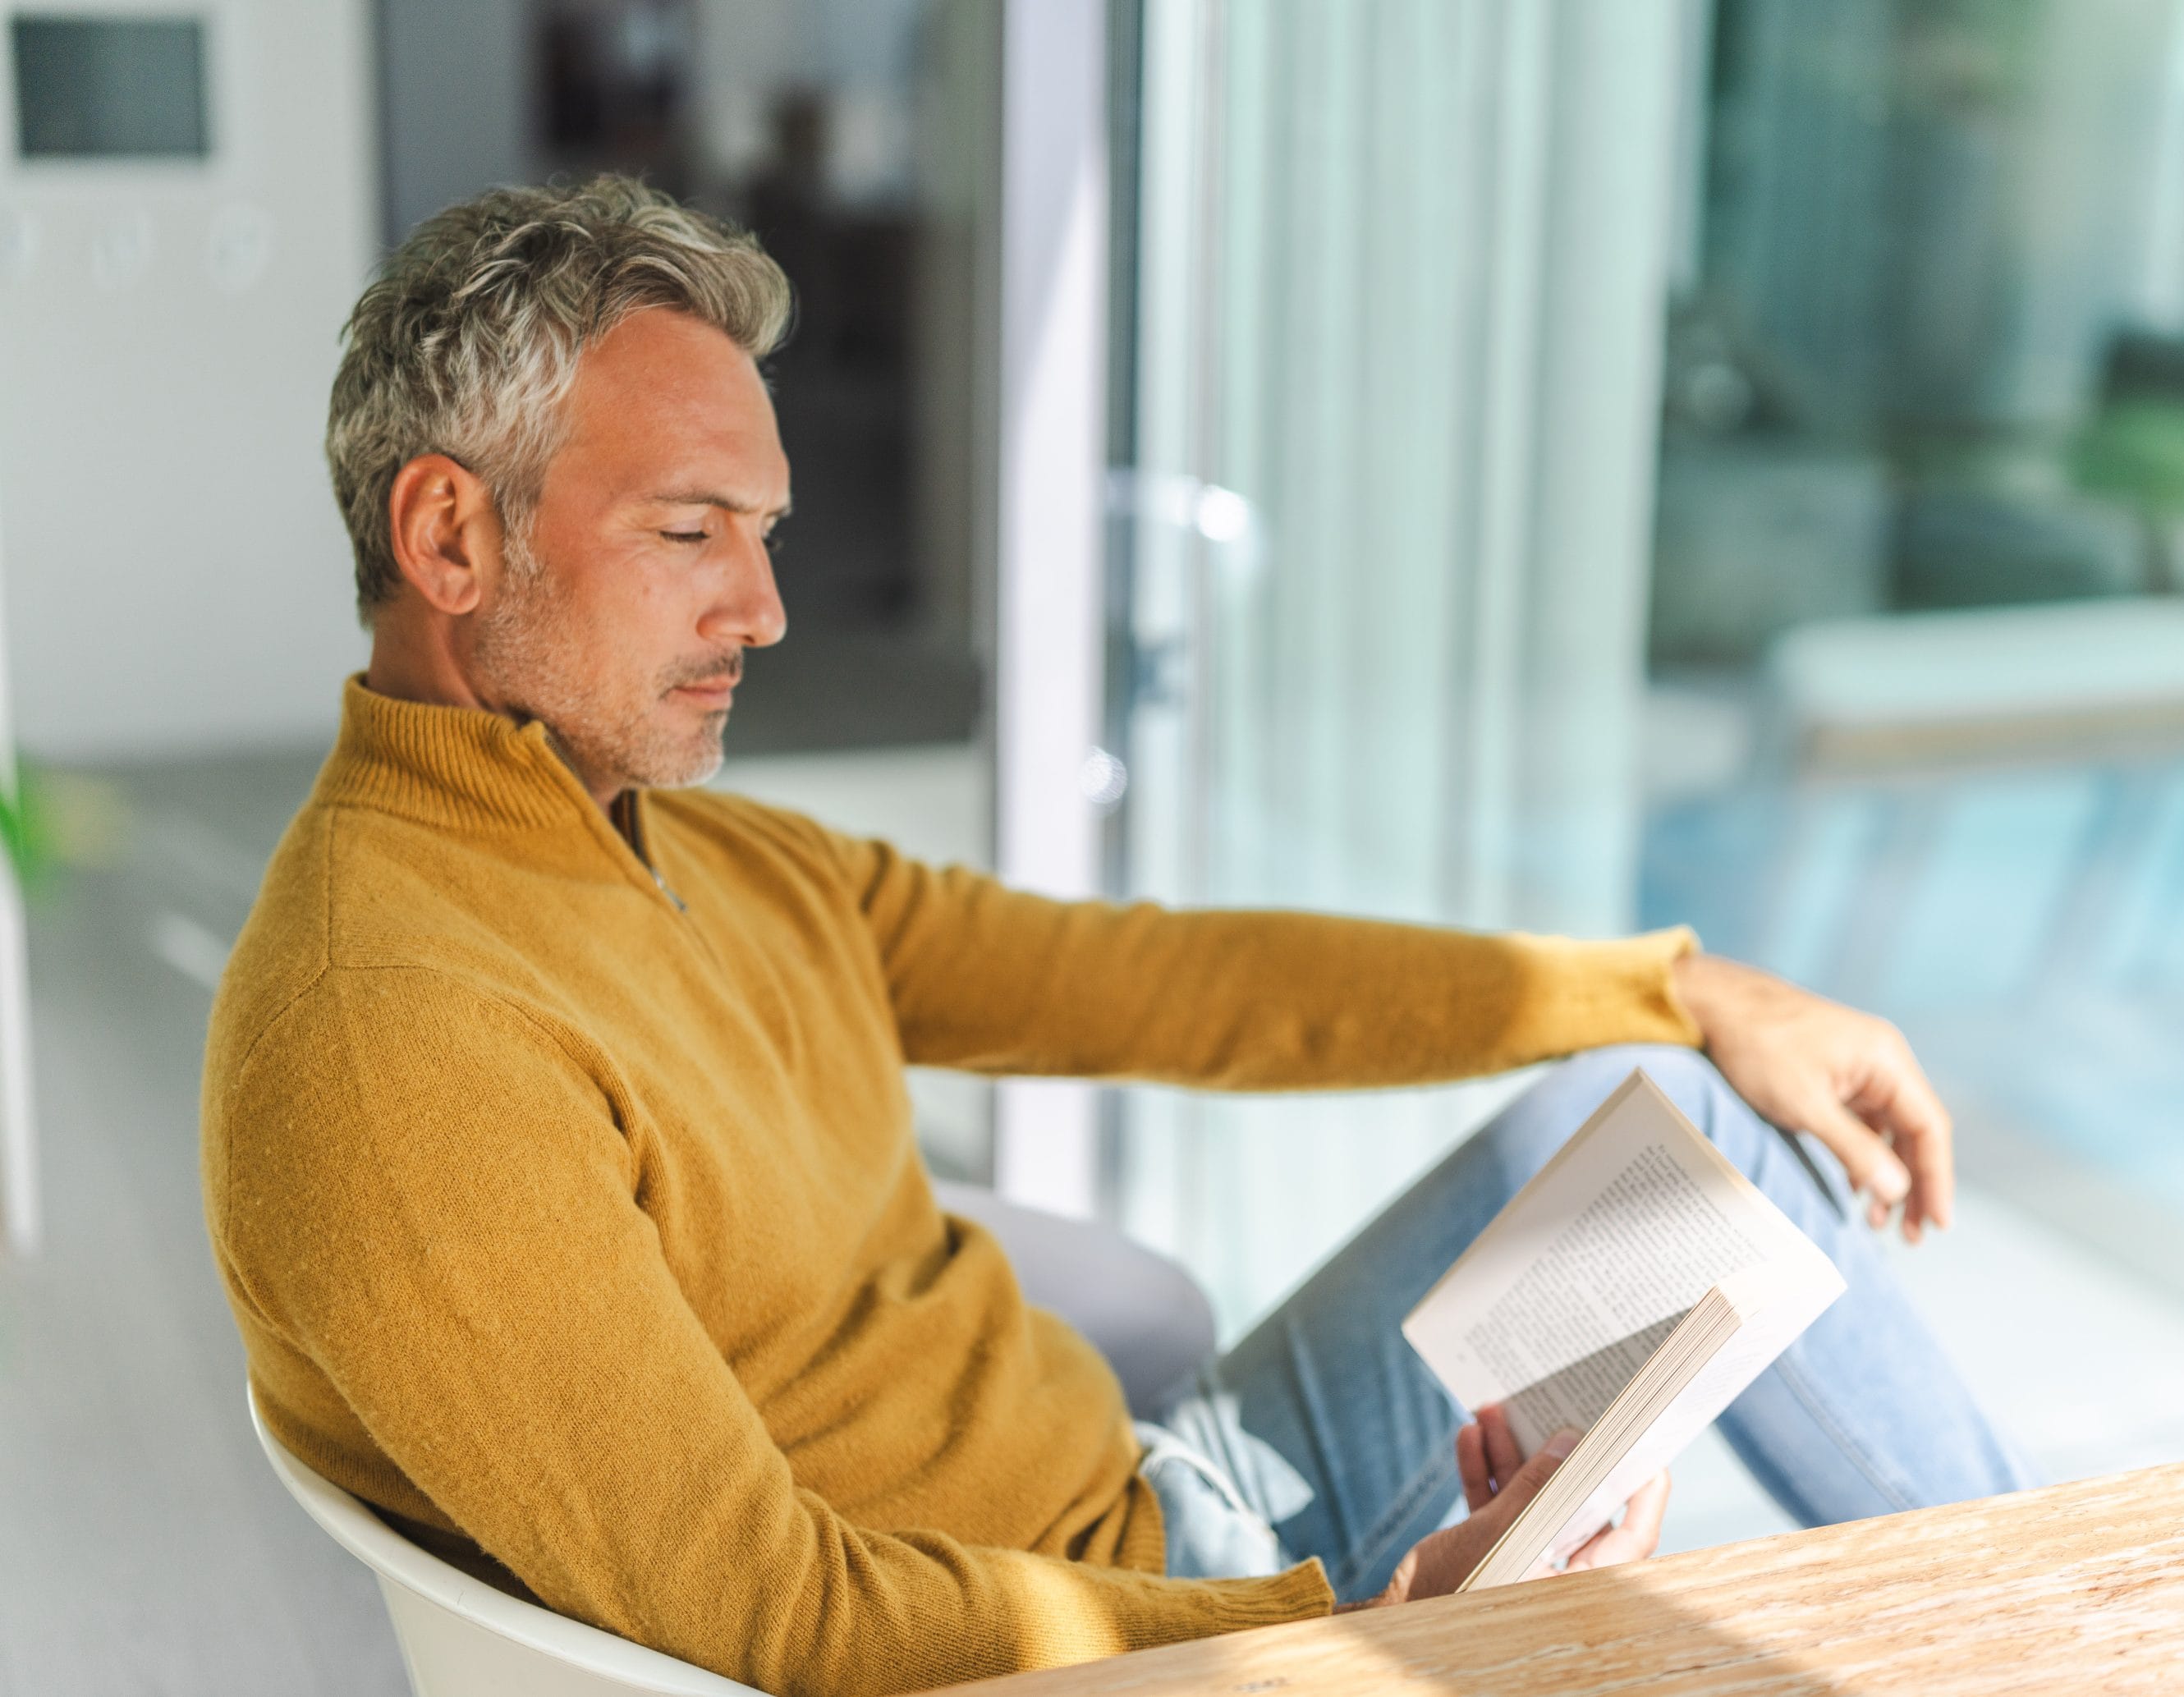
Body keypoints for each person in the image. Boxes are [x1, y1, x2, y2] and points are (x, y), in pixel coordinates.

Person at [203, 178, 2028, 1697]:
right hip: (1125, 1634)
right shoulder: (399, 1028)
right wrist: (1362, 1625)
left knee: (1686, 1120)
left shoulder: (687, 847)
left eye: (760, 532)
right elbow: (774, 1613)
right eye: (690, 530)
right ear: (449, 535)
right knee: (1732, 1191)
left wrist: (1673, 982)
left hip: (1168, 1494)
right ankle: (2083, 1633)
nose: (761, 606)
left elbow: (1170, 978)